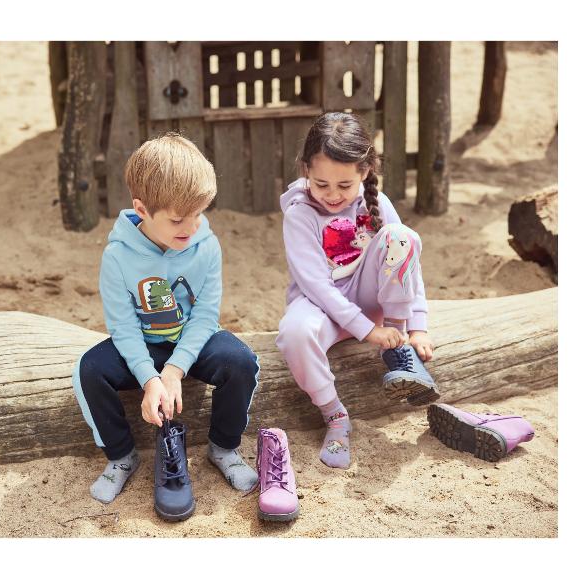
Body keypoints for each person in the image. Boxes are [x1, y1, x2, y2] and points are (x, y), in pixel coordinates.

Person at [72, 133, 259, 512]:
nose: (190, 227)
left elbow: (206, 315)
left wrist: (174, 371)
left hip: (193, 338)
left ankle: (223, 448)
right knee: (89, 370)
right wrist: (149, 378)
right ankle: (121, 456)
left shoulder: (206, 245)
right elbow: (122, 328)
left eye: (198, 214)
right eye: (177, 219)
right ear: (141, 209)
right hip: (142, 342)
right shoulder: (118, 257)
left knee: (241, 361)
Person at [276, 112, 439, 470]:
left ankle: (399, 353)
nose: (333, 195)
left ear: (364, 171)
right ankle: (334, 416)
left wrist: (417, 326)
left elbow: (408, 260)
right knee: (293, 332)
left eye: (344, 186)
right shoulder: (299, 214)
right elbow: (316, 285)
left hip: (376, 307)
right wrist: (367, 331)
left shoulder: (376, 203)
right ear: (306, 170)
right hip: (322, 305)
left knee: (403, 237)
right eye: (321, 184)